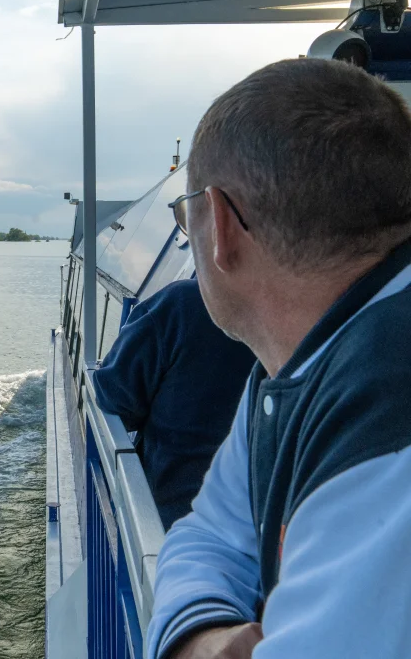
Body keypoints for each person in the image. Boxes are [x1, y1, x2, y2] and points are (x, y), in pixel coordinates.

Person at [148, 58, 411, 659]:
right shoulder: (298, 365)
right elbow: (211, 533)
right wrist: (199, 639)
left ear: (219, 223)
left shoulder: (387, 417)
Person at [94, 280, 254, 529]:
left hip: (171, 521)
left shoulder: (182, 302)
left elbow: (114, 397)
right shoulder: (318, 316)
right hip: (272, 538)